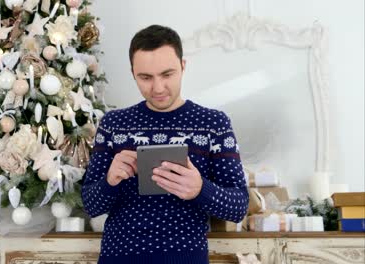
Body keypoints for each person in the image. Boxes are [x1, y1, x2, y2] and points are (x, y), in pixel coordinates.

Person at [81, 25, 249, 264]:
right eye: (145, 77)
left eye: (167, 74)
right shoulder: (113, 124)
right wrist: (110, 182)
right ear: (133, 73)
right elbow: (90, 205)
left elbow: (238, 207)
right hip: (118, 257)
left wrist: (200, 189)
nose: (157, 88)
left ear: (183, 66)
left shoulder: (214, 124)